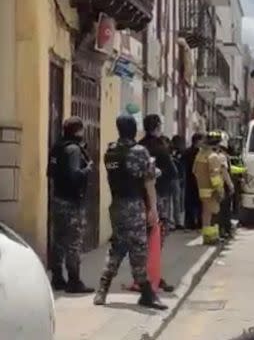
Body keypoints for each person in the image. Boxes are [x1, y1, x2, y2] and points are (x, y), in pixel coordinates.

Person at [93, 115, 167, 310]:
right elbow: (148, 180)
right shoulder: (139, 151)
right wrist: (152, 208)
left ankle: (102, 289)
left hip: (116, 205)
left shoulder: (110, 151)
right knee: (138, 249)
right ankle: (146, 292)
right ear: (134, 129)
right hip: (134, 206)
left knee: (117, 246)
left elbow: (127, 172)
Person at [47, 116, 94, 293]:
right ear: (77, 131)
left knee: (58, 241)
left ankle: (57, 278)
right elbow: (75, 175)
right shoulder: (74, 149)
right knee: (73, 243)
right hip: (72, 203)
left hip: (58, 199)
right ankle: (74, 281)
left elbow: (51, 173)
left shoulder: (57, 148)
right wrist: (87, 169)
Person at [139, 114, 178, 292]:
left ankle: (142, 274)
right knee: (157, 237)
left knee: (142, 237)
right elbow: (172, 171)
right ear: (157, 127)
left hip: (140, 198)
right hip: (159, 197)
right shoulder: (160, 148)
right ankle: (153, 276)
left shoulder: (139, 146)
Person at [193, 131, 227, 245]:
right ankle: (212, 237)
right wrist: (219, 189)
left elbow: (194, 171)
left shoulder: (200, 155)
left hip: (202, 188)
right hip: (211, 190)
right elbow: (215, 176)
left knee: (206, 213)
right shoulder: (213, 157)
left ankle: (207, 236)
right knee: (213, 213)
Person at [182, 133, 204, 230]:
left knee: (190, 203)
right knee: (198, 203)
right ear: (198, 141)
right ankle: (199, 222)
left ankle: (190, 223)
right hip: (196, 180)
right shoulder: (200, 153)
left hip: (189, 180)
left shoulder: (186, 152)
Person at [170, 135, 187, 229]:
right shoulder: (171, 152)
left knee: (177, 201)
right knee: (177, 201)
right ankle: (177, 221)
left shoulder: (182, 153)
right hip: (176, 177)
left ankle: (177, 221)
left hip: (178, 177)